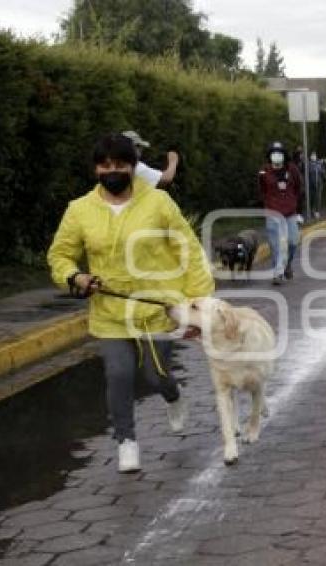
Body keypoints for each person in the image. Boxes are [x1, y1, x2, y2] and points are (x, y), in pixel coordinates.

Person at [47, 133, 215, 473]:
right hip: (111, 310)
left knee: (156, 377)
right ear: (95, 169)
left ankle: (173, 395)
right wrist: (76, 277)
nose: (113, 170)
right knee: (119, 373)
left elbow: (189, 248)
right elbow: (60, 254)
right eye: (105, 165)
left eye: (121, 164)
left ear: (133, 167)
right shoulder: (79, 211)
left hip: (157, 307)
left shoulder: (158, 203)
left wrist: (199, 300)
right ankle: (126, 441)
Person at [259, 141, 304, 285]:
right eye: (273, 153)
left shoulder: (292, 170)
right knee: (275, 245)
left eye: (279, 153)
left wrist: (295, 205)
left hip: (290, 213)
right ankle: (278, 273)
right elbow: (262, 190)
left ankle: (287, 265)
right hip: (273, 214)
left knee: (292, 242)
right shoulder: (264, 172)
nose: (276, 156)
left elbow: (298, 188)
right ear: (270, 156)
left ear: (284, 156)